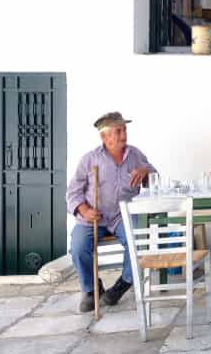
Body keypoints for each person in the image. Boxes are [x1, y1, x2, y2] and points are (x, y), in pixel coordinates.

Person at [66, 112, 156, 312]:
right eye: (118, 130)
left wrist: (145, 172)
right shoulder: (89, 159)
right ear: (104, 136)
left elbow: (155, 178)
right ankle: (91, 289)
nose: (124, 134)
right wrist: (84, 210)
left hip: (123, 215)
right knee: (78, 246)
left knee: (138, 240)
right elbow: (72, 193)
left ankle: (123, 283)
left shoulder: (135, 155)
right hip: (92, 218)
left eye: (125, 129)